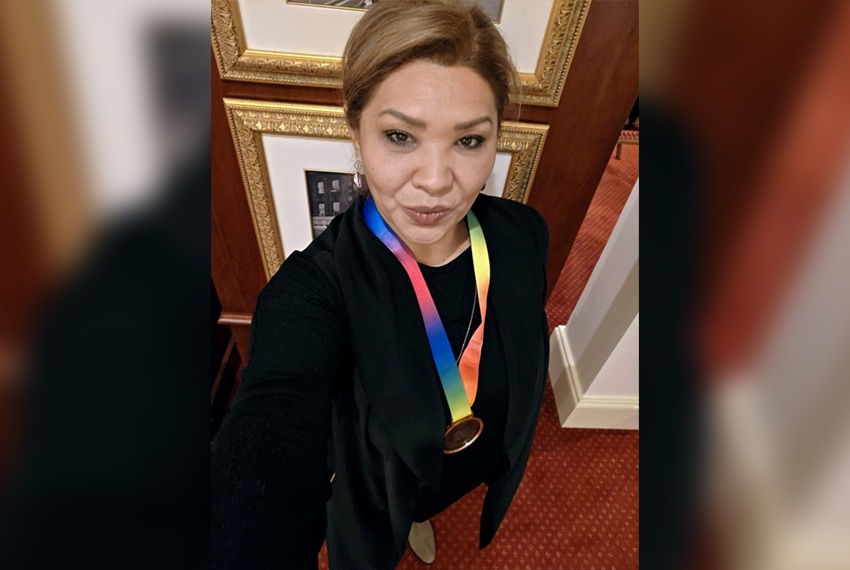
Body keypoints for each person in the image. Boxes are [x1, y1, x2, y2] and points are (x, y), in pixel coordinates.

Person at [211, 0, 550, 567]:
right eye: (400, 136)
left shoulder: (523, 235)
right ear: (356, 129)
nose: (436, 181)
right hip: (384, 489)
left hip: (470, 463)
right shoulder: (312, 292)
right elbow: (274, 416)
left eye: (469, 141)